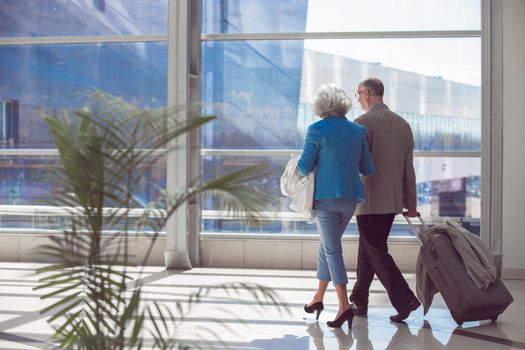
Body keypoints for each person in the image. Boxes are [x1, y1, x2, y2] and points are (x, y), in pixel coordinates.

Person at [299, 84, 375, 328]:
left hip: (326, 200)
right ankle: (318, 298)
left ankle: (344, 306)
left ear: (321, 106)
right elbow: (368, 169)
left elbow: (303, 167)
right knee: (327, 246)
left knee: (332, 251)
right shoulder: (358, 131)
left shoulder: (316, 129)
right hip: (350, 199)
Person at [349, 77, 421, 322]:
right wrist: (411, 204)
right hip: (391, 202)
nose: (357, 98)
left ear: (367, 94)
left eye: (358, 93)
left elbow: (354, 165)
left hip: (368, 200)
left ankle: (406, 299)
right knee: (369, 248)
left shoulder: (361, 124)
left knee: (376, 249)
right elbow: (408, 169)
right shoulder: (403, 125)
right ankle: (358, 300)